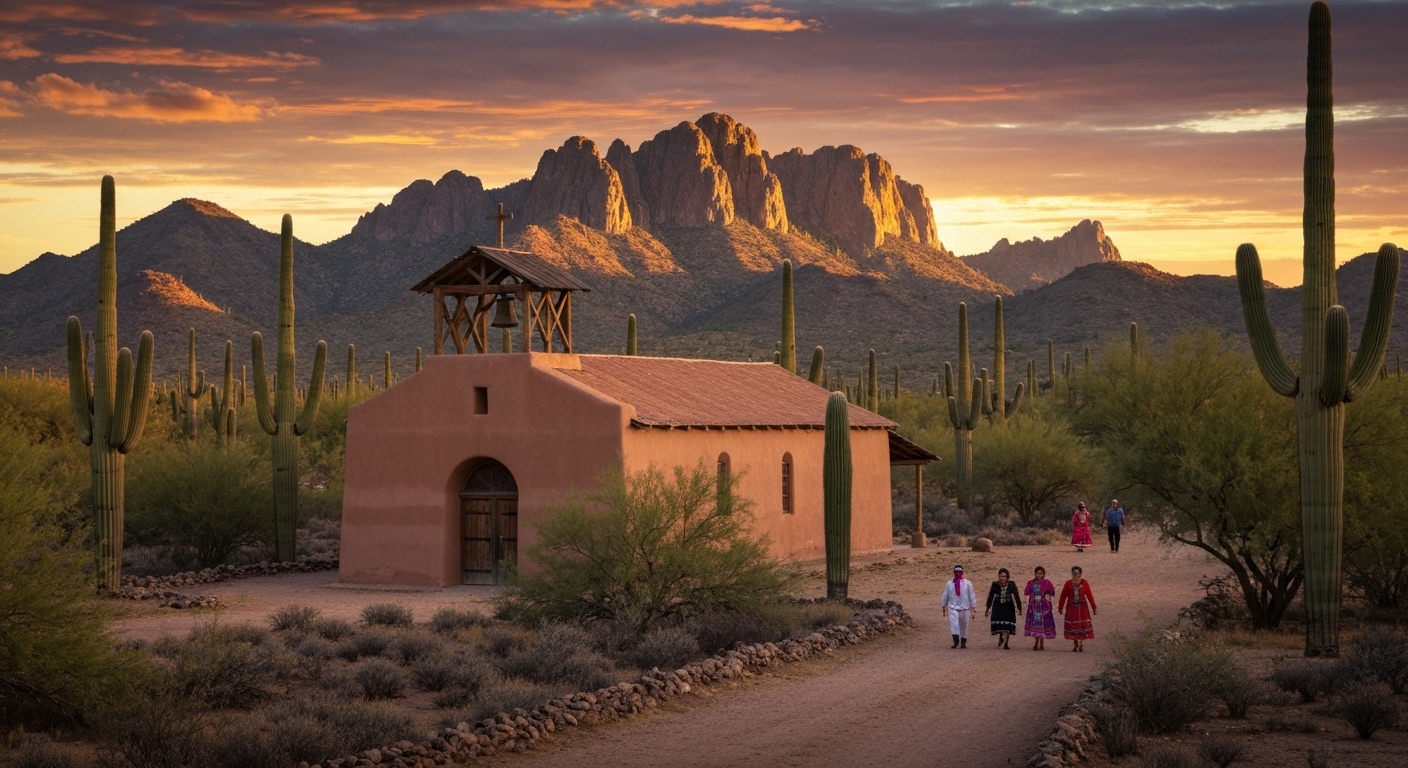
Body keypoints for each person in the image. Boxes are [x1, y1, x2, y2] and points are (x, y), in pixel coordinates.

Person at [1058, 565, 1098, 652]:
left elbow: (1089, 595)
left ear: (1081, 574)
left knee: (1081, 626)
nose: (1076, 576)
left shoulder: (1084, 583)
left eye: (1078, 574)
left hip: (1082, 608)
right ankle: (1075, 643)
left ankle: (1080, 643)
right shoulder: (1068, 584)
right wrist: (1060, 607)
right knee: (1074, 626)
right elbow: (1063, 596)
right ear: (1072, 574)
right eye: (1074, 574)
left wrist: (1094, 607)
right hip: (1072, 609)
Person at [984, 567, 1023, 650]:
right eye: (1001, 576)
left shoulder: (1012, 584)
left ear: (1007, 577)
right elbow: (990, 597)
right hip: (998, 606)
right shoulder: (995, 584)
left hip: (1008, 607)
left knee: (1008, 625)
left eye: (1004, 576)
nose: (1002, 578)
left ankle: (1006, 643)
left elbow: (1016, 596)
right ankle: (1001, 637)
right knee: (1001, 626)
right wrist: (987, 609)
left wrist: (1019, 608)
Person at [942, 565, 977, 649]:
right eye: (956, 572)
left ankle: (963, 642)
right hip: (953, 607)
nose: (957, 573)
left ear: (962, 572)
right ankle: (956, 640)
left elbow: (971, 595)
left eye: (959, 572)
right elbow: (945, 595)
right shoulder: (949, 584)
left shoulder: (967, 583)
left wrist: (973, 607)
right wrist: (944, 605)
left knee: (964, 625)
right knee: (954, 624)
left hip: (964, 607)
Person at [1023, 566, 1056, 650]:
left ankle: (1041, 642)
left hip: (1044, 607)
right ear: (1035, 574)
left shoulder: (1047, 583)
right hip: (1034, 607)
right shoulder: (1031, 583)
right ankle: (1036, 642)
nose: (1039, 575)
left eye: (1041, 574)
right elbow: (1026, 592)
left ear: (1043, 574)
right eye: (1038, 573)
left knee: (1042, 625)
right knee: (1036, 625)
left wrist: (1046, 592)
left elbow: (1052, 592)